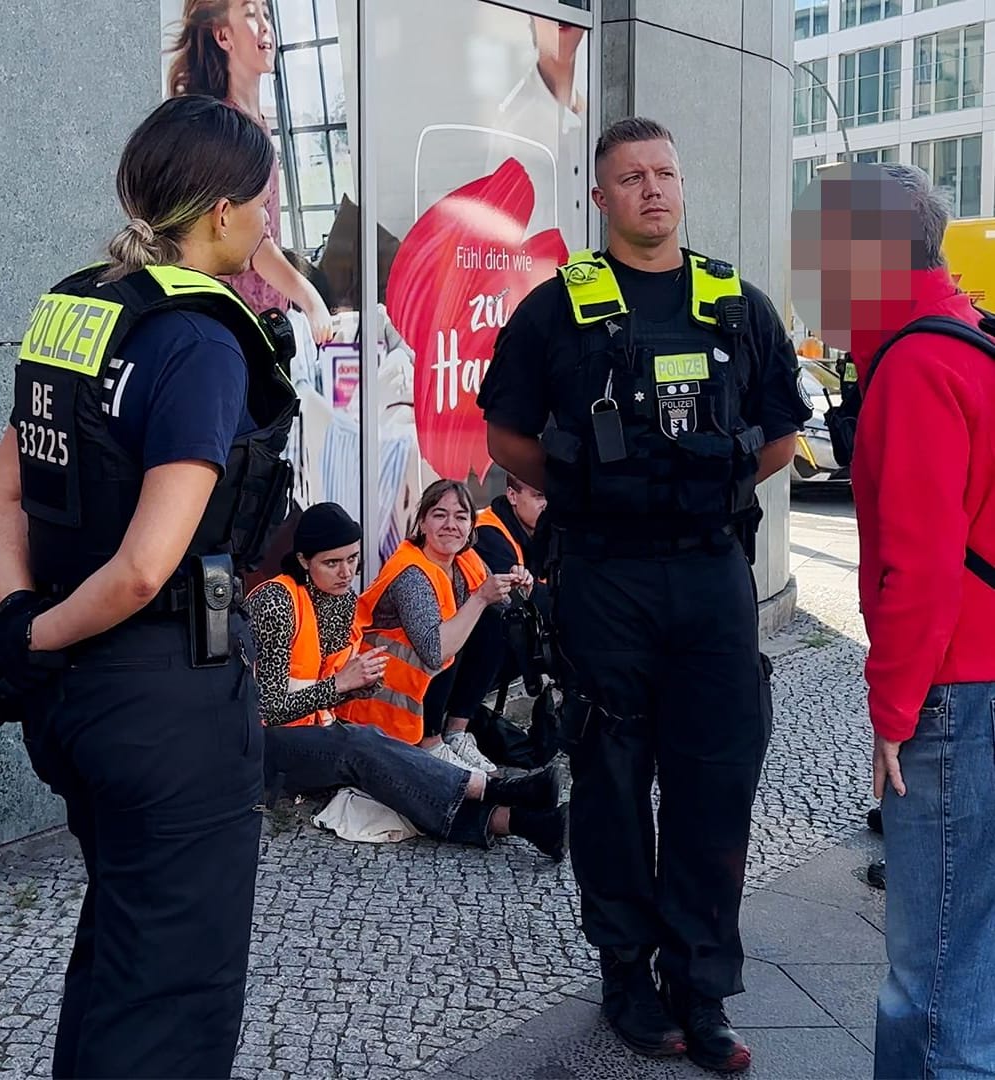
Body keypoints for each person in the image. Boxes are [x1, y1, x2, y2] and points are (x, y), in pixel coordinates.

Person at [0, 96, 298, 1079]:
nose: (269, 220)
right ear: (219, 212)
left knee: (126, 949)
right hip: (166, 698)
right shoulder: (200, 341)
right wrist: (31, 640)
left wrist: (21, 621)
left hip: (80, 704)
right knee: (174, 992)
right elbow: (146, 565)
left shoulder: (80, 306)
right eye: (261, 201)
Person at [478, 116, 809, 1073]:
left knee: (716, 782)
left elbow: (780, 433)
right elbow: (505, 435)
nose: (652, 190)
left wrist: (705, 487)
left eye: (665, 172)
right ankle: (628, 976)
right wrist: (589, 491)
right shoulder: (556, 309)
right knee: (612, 779)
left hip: (710, 574)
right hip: (605, 576)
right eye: (631, 178)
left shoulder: (736, 308)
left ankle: (700, 991)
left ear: (681, 184)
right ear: (601, 196)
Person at [791, 161, 995, 1077]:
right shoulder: (970, 341)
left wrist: (892, 714)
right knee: (973, 957)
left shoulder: (914, 364)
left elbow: (919, 568)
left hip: (958, 690)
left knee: (936, 974)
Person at [249, 502, 566, 859]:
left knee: (392, 772)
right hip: (261, 745)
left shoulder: (341, 599)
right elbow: (269, 707)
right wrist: (339, 685)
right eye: (332, 563)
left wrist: (361, 684)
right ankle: (499, 791)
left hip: (318, 729)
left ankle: (522, 823)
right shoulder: (277, 601)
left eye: (353, 560)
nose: (346, 572)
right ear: (305, 561)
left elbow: (327, 692)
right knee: (361, 744)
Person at [168, 0, 334, 345]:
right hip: (239, 320)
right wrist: (310, 298)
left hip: (259, 317)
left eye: (267, 14)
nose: (265, 26)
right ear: (223, 36)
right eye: (249, 13)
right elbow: (255, 240)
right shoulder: (230, 129)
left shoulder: (255, 125)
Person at [335, 479, 530, 754]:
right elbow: (435, 651)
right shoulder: (411, 572)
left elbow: (503, 605)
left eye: (461, 517)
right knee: (457, 626)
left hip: (421, 689)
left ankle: (456, 734)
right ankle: (432, 743)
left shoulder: (466, 559)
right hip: (377, 698)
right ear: (423, 524)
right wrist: (481, 597)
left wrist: (520, 583)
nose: (451, 524)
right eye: (440, 515)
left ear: (470, 526)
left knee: (495, 621)